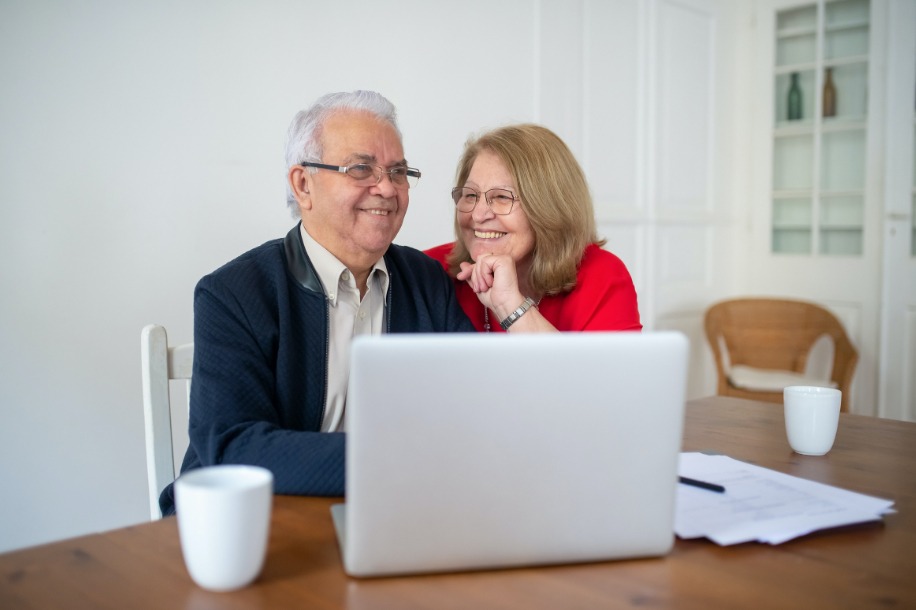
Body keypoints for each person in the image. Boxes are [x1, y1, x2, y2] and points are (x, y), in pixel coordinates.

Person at [159, 91, 474, 516]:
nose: (386, 188)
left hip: (392, 515)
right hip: (253, 524)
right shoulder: (233, 293)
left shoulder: (426, 281)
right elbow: (234, 446)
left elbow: (478, 409)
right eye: (361, 168)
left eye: (398, 172)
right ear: (303, 184)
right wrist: (392, 460)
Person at [425, 124, 642, 333]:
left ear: (549, 208)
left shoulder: (602, 277)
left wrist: (510, 305)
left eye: (501, 197)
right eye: (470, 195)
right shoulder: (427, 272)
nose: (478, 215)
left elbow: (604, 372)